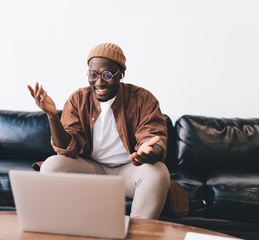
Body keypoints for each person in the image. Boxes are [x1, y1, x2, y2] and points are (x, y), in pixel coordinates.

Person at [27, 43, 170, 219]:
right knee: (51, 165)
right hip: (90, 170)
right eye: (93, 74)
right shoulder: (78, 99)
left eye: (108, 75)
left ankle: (138, 233)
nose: (99, 82)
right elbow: (67, 149)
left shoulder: (143, 99)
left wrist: (147, 154)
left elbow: (153, 139)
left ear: (121, 74)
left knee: (158, 173)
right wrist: (52, 116)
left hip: (129, 171)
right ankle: (68, 229)